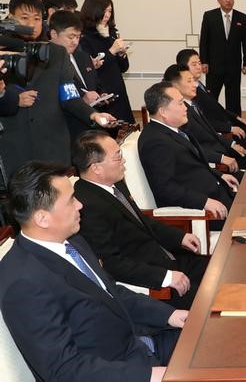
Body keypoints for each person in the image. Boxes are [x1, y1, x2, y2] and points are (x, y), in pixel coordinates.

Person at [0, 162, 187, 382]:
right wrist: (149, 375)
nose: (80, 205)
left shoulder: (73, 241)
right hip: (118, 371)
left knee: (218, 339)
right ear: (42, 218)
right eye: (71, 200)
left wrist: (169, 315)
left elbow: (111, 292)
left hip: (140, 343)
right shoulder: (23, 282)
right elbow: (64, 369)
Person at [72, 131, 209, 309]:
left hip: (170, 258)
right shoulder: (86, 206)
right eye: (117, 157)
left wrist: (179, 237)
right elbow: (113, 264)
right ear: (96, 168)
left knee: (223, 269)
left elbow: (142, 221)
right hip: (154, 280)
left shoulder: (115, 182)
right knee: (214, 300)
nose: (124, 161)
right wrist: (166, 277)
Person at [0, 0, 115, 177]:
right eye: (24, 18)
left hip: (51, 145)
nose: (31, 24)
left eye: (37, 18)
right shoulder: (2, 52)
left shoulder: (57, 53)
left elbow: (68, 96)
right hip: (14, 145)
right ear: (10, 19)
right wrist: (14, 99)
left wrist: (93, 114)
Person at [138, 81, 237, 229]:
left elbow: (193, 165)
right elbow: (165, 188)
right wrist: (204, 202)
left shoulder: (173, 130)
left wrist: (219, 175)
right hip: (202, 212)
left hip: (216, 192)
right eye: (180, 104)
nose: (185, 108)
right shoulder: (155, 142)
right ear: (163, 111)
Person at [163, 64, 246, 172]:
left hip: (223, 150)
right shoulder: (180, 114)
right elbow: (191, 146)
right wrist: (221, 158)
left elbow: (211, 131)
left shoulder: (192, 104)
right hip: (214, 160)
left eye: (193, 81)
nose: (195, 85)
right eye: (189, 81)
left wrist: (232, 144)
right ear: (175, 86)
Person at [176, 48, 246, 153]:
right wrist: (230, 128)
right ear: (184, 68)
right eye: (194, 64)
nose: (199, 67)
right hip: (224, 133)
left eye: (199, 63)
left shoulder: (199, 85)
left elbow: (217, 107)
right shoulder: (190, 94)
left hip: (230, 124)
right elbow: (205, 122)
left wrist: (236, 117)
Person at [49, 10, 108, 142]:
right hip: (65, 130)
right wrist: (82, 99)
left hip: (91, 125)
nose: (75, 42)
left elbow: (96, 83)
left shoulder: (83, 56)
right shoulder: (45, 62)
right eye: (70, 37)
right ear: (54, 34)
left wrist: (101, 94)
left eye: (78, 37)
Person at [79, 0, 135, 123]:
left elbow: (124, 68)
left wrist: (121, 54)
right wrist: (112, 51)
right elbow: (90, 69)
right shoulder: (84, 37)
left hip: (118, 89)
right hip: (101, 93)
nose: (107, 15)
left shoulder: (111, 33)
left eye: (110, 11)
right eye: (104, 11)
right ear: (92, 10)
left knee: (127, 130)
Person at [199, 0, 246, 115]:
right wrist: (204, 61)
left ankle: (236, 128)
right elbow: (204, 41)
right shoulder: (209, 16)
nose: (228, 0)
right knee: (211, 100)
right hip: (214, 67)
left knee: (233, 100)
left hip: (233, 68)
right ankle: (212, 127)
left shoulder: (242, 17)